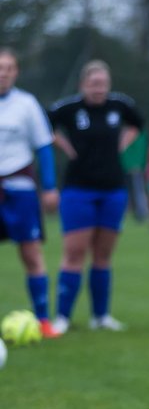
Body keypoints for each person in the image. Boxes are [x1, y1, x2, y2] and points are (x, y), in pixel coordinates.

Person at [46, 60, 143, 334]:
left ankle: (101, 316)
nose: (98, 89)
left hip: (113, 189)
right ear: (83, 84)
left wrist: (123, 143)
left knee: (103, 254)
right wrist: (63, 144)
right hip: (79, 189)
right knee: (75, 253)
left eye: (102, 84)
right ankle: (62, 317)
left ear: (109, 85)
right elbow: (43, 125)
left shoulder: (120, 105)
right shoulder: (69, 108)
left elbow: (138, 123)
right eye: (93, 83)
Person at [0, 48, 61, 338]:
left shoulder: (27, 104)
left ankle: (43, 320)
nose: (3, 72)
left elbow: (44, 147)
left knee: (31, 253)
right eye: (0, 67)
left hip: (20, 189)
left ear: (16, 72)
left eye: (9, 67)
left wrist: (49, 187)